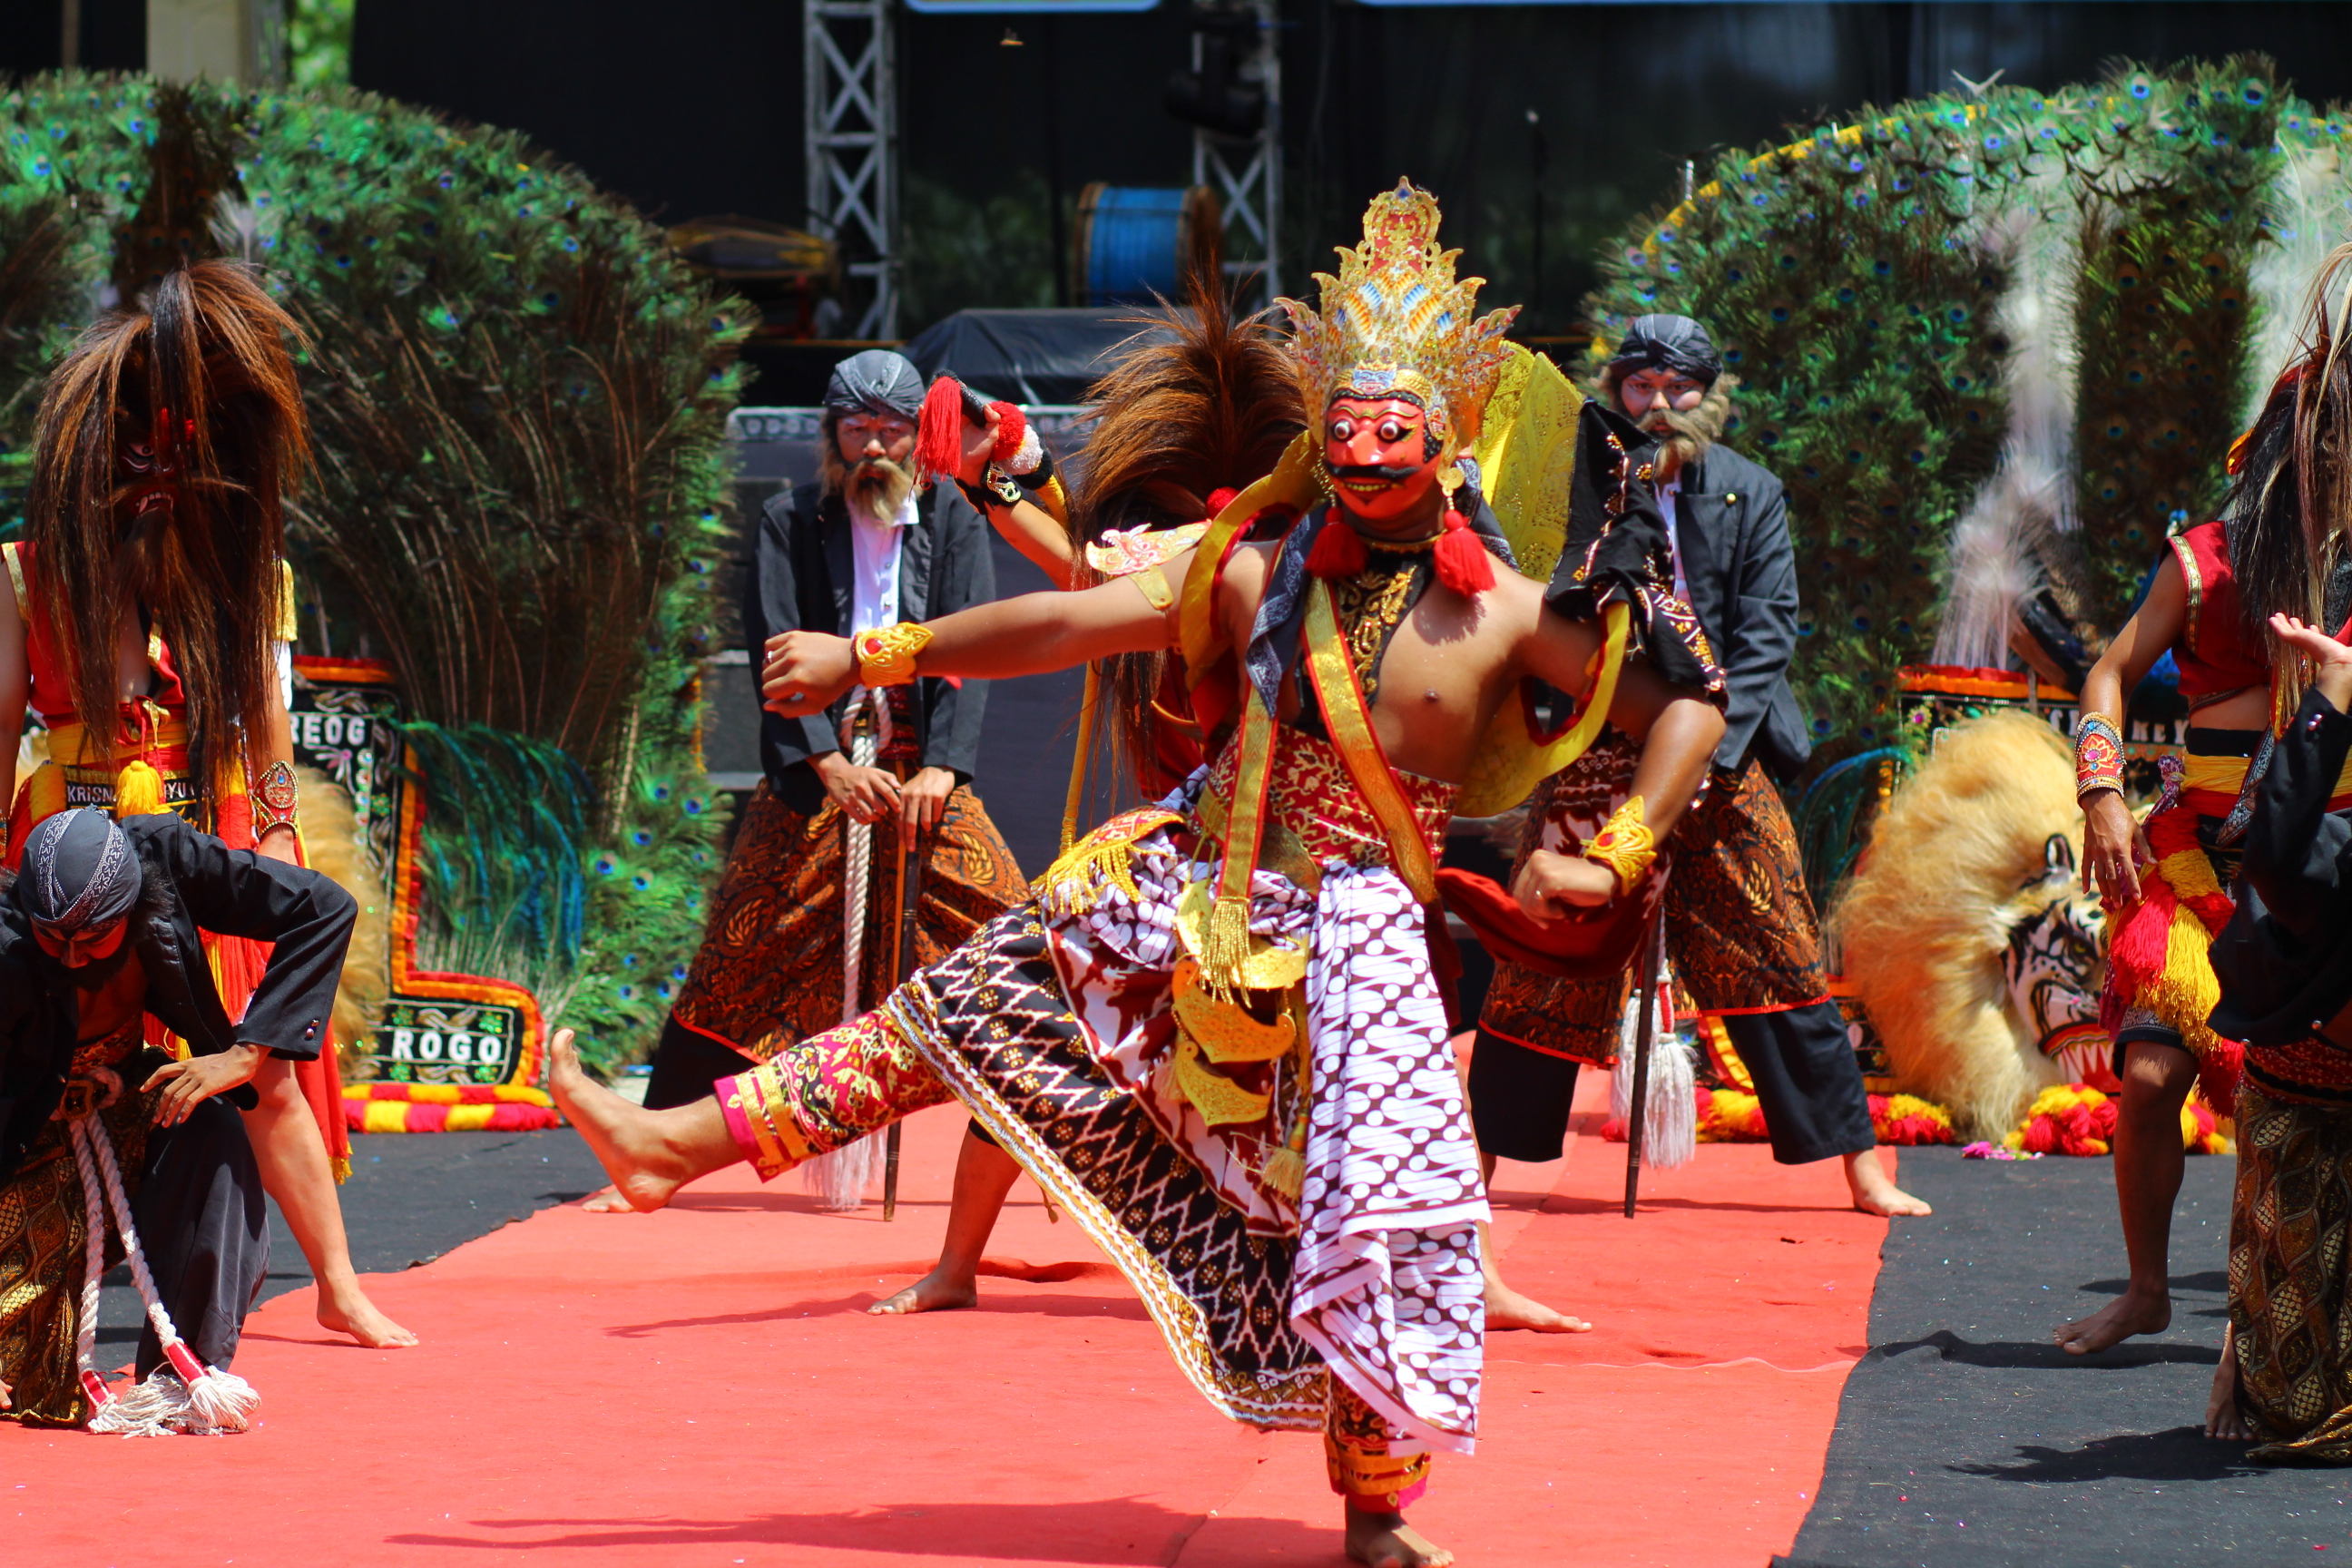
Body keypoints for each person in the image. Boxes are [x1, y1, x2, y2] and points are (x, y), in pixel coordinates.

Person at [551, 181, 1728, 1568]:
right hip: (1189, 884)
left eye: (1389, 434)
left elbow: (1687, 713)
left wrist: (1623, 849)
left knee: (1386, 1227)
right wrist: (879, 654)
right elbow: (1064, 617)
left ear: (1447, 442)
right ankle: (679, 1143)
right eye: (1340, 432)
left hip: (1363, 948)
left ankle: (1374, 1511)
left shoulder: (1509, 613)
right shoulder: (1252, 572)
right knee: (964, 1012)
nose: (1359, 453)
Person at [1465, 313, 1927, 1332]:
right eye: (1638, 386)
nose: (1657, 404)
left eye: (1677, 388)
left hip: (1719, 753)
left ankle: (1858, 1170)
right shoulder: (1568, 487)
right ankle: (1478, 1170)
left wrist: (1709, 760)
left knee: (1781, 945)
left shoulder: (1750, 493)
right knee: (1540, 953)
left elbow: (1766, 635)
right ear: (1614, 390)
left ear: (1712, 396)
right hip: (1590, 744)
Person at [872, 273, 1307, 1316]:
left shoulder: (1353, 565)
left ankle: (1465, 1273)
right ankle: (956, 1263)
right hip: (1183, 851)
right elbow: (1074, 582)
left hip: (1310, 869)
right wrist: (1002, 471)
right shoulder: (1209, 557)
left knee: (1375, 1071)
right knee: (1039, 1027)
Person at [0, 261, 413, 1350]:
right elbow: (0, 738)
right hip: (66, 859)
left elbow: (266, 727)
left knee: (256, 1076)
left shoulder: (241, 577)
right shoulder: (19, 576)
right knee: (47, 1078)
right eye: (132, 465)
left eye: (172, 468)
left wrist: (275, 831)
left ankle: (337, 1281)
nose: (151, 488)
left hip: (189, 848)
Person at [583, 348, 1030, 1213]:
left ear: (918, 439)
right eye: (856, 430)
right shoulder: (791, 519)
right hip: (819, 765)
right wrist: (824, 762)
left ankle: (1065, 1145)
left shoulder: (957, 519)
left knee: (1011, 936)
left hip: (921, 768)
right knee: (741, 945)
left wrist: (942, 763)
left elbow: (974, 645)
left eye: (891, 430)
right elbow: (774, 649)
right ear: (831, 435)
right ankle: (656, 1147)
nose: (874, 448)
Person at [2051, 347, 2347, 1357]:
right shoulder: (2205, 560)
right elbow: (2108, 673)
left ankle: (2286, 1306)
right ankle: (2146, 1290)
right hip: (2196, 867)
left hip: (2323, 871)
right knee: (2146, 1080)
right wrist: (2100, 793)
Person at [0, 807, 357, 1426]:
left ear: (136, 905)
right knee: (29, 1354)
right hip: (24, 1144)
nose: (75, 957)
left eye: (95, 938)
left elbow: (324, 907)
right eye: (55, 939)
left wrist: (245, 1055)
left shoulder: (166, 859)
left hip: (126, 1104)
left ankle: (180, 1376)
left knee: (213, 1126)